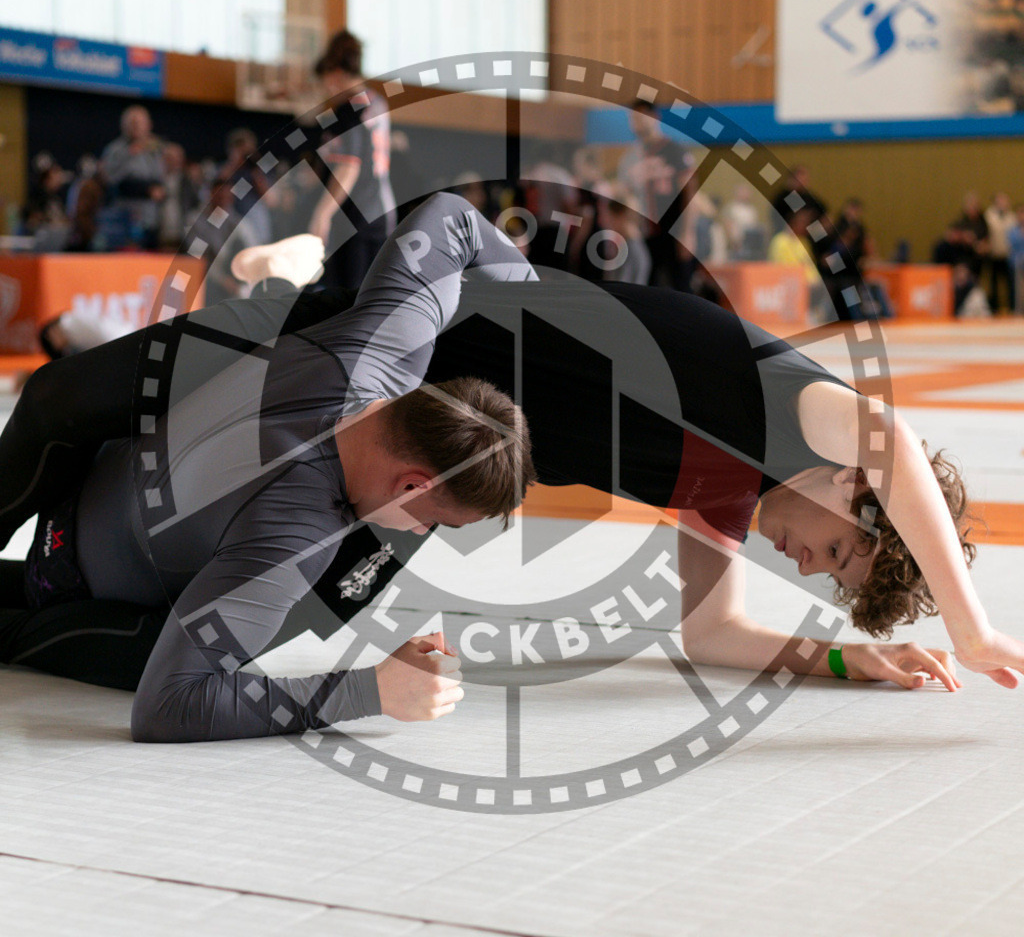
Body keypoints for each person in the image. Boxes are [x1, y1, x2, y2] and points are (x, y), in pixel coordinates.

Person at [5, 199, 1024, 713]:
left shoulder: (728, 487)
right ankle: (299, 267)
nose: (810, 567)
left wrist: (841, 655)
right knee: (68, 403)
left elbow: (712, 628)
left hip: (441, 453)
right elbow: (892, 445)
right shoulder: (793, 408)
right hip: (387, 333)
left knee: (233, 643)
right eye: (842, 555)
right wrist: (974, 628)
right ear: (853, 491)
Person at [0, 194, 537, 742]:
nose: (422, 533)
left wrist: (544, 308)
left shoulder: (385, 346)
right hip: (62, 584)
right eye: (435, 521)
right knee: (158, 656)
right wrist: (372, 689)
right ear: (412, 486)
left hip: (78, 471)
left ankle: (278, 280)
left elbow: (453, 217)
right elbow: (166, 704)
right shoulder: (295, 534)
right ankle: (276, 279)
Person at [309, 30, 397, 289]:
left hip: (356, 218)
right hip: (380, 210)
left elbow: (349, 166)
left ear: (334, 73)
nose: (325, 88)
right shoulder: (376, 101)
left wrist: (321, 214)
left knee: (347, 302)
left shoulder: (349, 109)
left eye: (325, 80)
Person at [617, 99, 694, 289]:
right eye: (633, 118)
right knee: (649, 286)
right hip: (647, 232)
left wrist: (687, 232)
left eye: (640, 117)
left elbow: (690, 194)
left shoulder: (674, 151)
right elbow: (627, 196)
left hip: (673, 229)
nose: (636, 122)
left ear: (654, 118)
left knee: (680, 287)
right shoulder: (631, 158)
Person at [99, 105, 166, 249]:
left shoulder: (154, 150)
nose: (136, 127)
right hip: (124, 219)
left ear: (148, 125)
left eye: (140, 123)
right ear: (124, 126)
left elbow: (161, 177)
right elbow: (110, 179)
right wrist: (130, 154)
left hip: (151, 218)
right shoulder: (115, 150)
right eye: (132, 123)